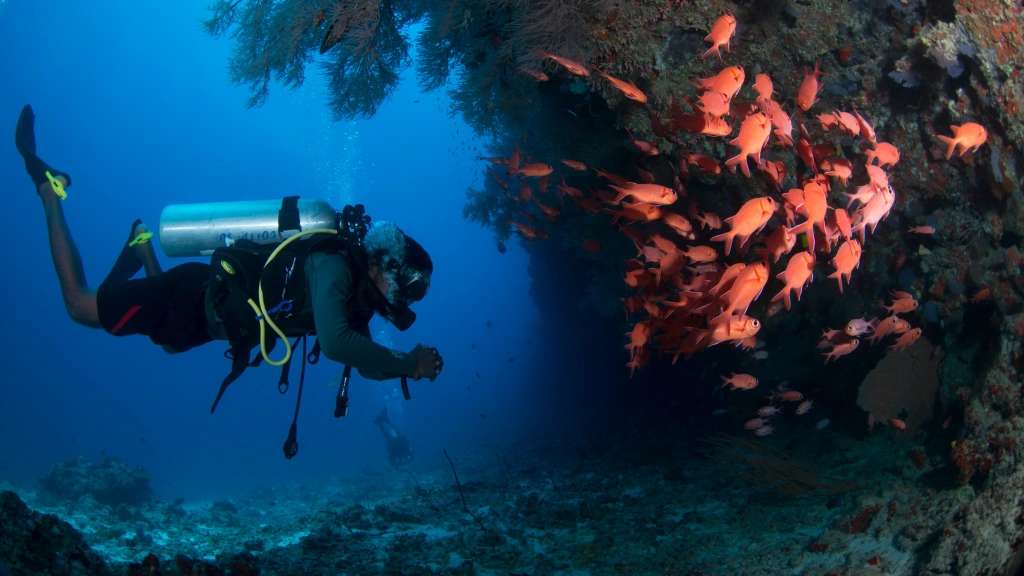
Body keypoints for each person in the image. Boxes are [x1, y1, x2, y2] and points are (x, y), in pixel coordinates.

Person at [15, 104, 444, 387]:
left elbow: (366, 365)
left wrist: (409, 365)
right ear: (384, 265)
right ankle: (49, 191)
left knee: (167, 343)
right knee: (78, 305)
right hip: (190, 295)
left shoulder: (356, 303)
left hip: (210, 322)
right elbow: (334, 345)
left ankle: (142, 246)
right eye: (408, 287)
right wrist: (411, 364)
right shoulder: (334, 266)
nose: (406, 299)